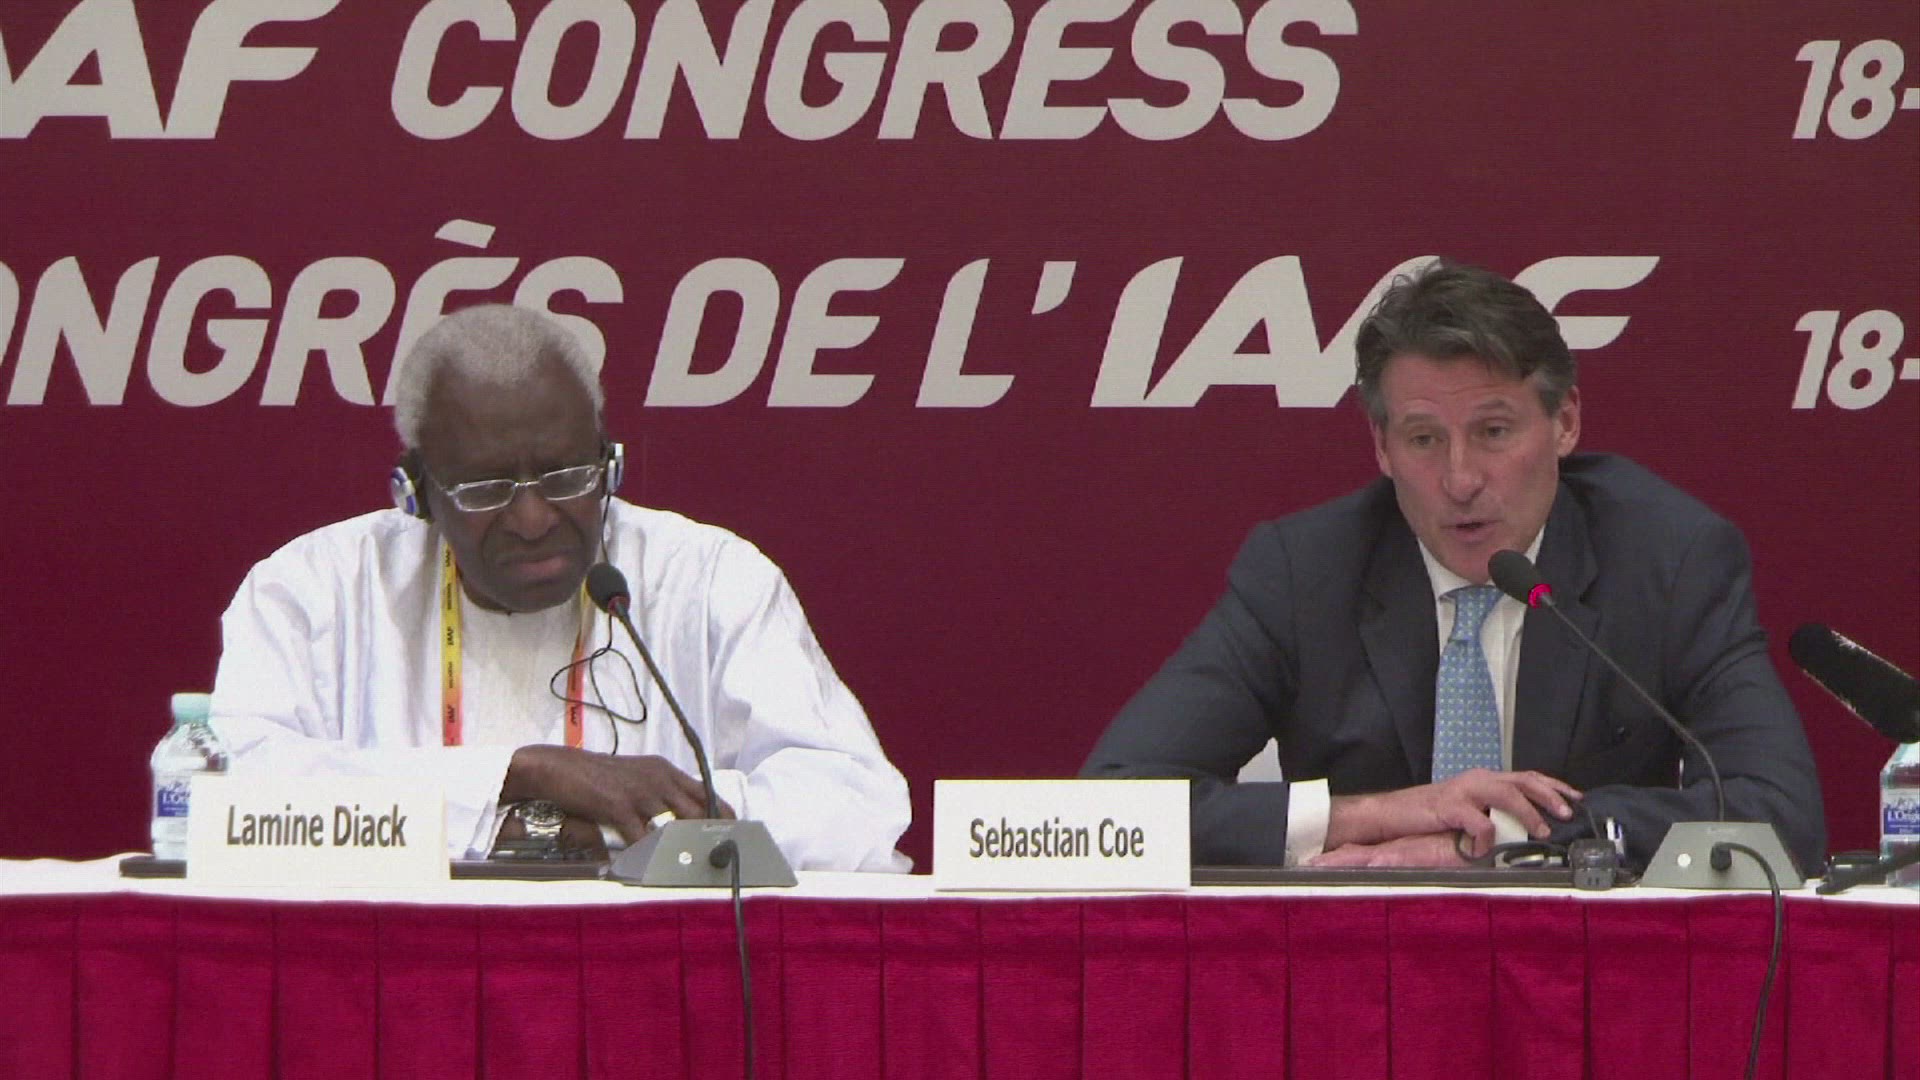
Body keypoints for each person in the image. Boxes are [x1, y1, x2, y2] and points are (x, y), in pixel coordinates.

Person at [1082, 259, 1824, 872]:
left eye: (1494, 431)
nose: (1461, 479)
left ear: (1564, 422)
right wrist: (1370, 817)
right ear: (1381, 447)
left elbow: (1781, 816)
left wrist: (1507, 838)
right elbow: (1109, 807)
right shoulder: (1304, 572)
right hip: (1357, 970)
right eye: (1424, 439)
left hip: (1581, 971)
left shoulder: (1667, 559)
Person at [209, 304, 910, 871]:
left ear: (612, 464)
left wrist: (592, 830)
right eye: (485, 487)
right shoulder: (312, 591)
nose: (533, 519)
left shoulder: (710, 578)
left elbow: (855, 805)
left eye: (568, 477)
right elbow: (231, 789)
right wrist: (522, 774)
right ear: (415, 492)